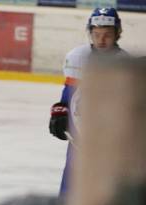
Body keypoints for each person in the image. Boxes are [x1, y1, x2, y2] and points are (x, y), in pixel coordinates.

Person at [49, 7, 125, 194]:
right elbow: (70, 94)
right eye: (97, 34)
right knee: (72, 186)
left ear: (117, 34)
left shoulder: (125, 63)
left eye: (107, 34)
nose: (101, 40)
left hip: (111, 140)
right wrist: (59, 111)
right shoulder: (77, 57)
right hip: (80, 137)